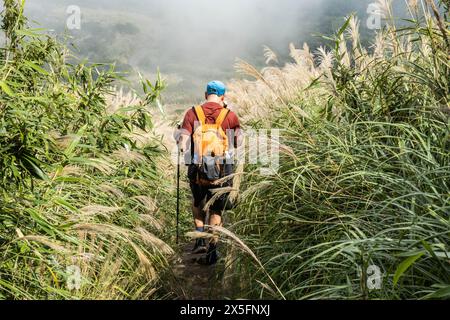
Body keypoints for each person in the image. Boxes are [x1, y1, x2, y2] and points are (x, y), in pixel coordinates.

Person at [178, 80, 241, 265]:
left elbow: (182, 142)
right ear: (223, 96)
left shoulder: (192, 113)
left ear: (206, 95)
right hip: (222, 170)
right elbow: (237, 143)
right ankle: (212, 252)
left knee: (198, 202)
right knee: (216, 208)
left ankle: (199, 239)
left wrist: (184, 148)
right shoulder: (229, 115)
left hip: (197, 168)